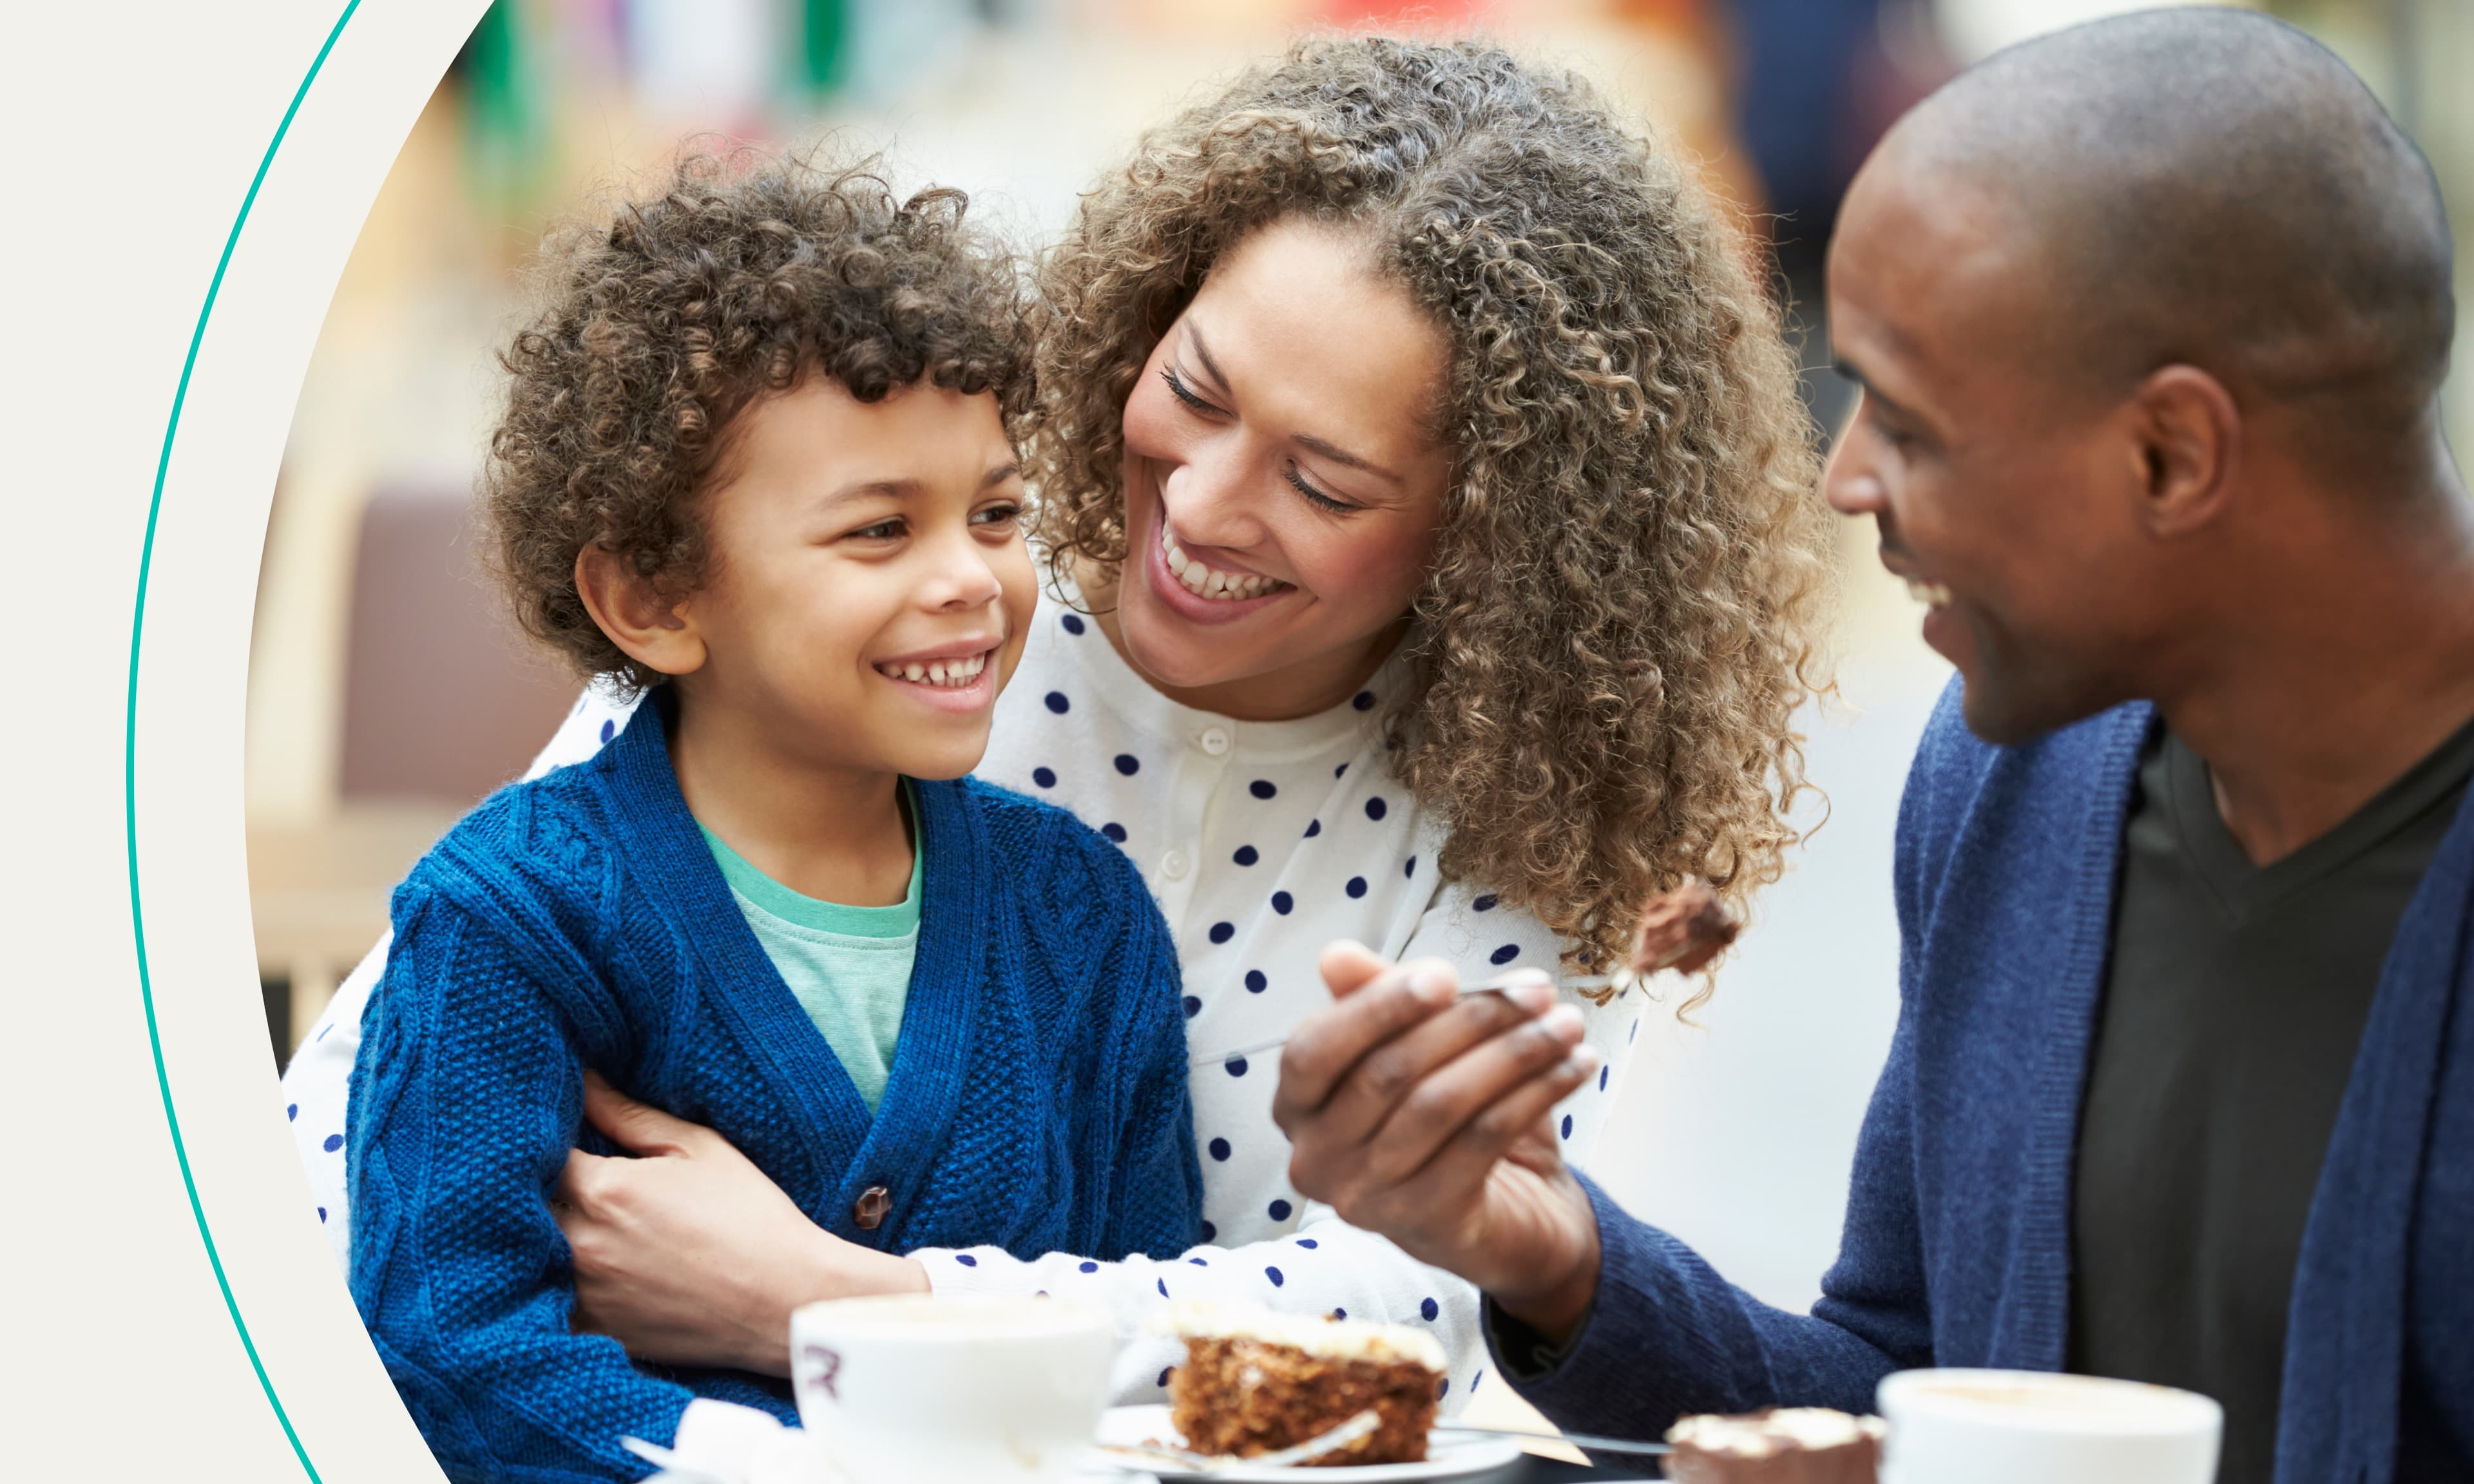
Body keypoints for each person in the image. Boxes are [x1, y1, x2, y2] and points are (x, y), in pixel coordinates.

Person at [287, 35, 1835, 1404]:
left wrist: (834, 1306)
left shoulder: (1537, 802)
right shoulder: (901, 613)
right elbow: (355, 1125)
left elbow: (1411, 1313)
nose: (1203, 508)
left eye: (1324, 481)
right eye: (1201, 392)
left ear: (1500, 534)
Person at [1266, 12, 2474, 1483]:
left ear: (2171, 454)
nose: (1845, 484)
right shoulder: (2012, 786)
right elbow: (1902, 1385)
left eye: (1907, 425)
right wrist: (1557, 1256)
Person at [346, 154, 1203, 1484]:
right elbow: (447, 1357)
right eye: (879, 531)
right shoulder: (514, 917)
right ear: (655, 599)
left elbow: (1144, 1367)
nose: (969, 581)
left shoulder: (1083, 924)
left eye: (994, 514)